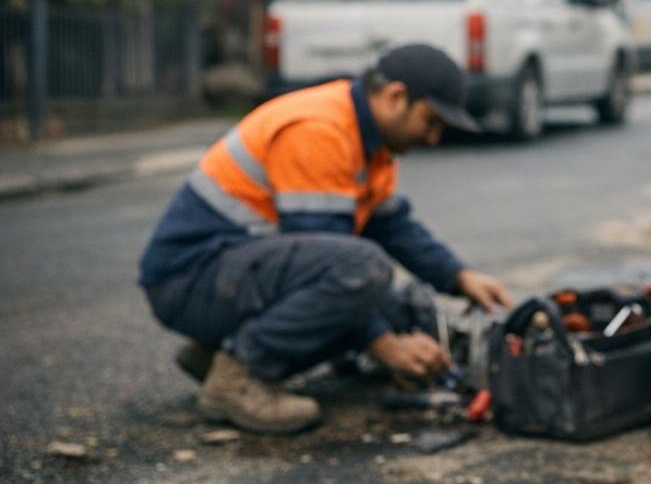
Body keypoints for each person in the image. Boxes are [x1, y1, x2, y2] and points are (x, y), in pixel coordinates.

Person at [138, 44, 512, 434]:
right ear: (396, 97)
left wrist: (459, 276)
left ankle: (218, 352)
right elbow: (335, 266)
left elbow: (392, 227)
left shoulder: (370, 142)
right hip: (188, 281)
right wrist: (386, 347)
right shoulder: (321, 130)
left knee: (392, 303)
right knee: (362, 271)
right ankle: (236, 378)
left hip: (228, 275)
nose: (433, 138)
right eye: (431, 122)